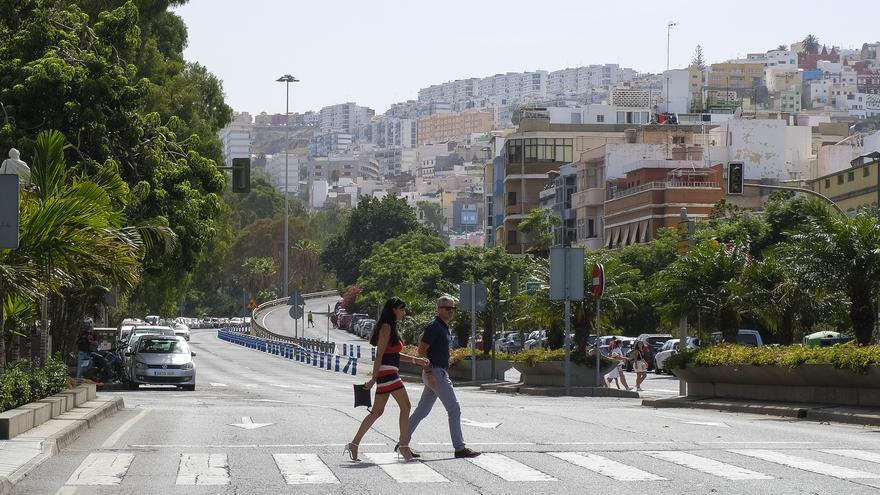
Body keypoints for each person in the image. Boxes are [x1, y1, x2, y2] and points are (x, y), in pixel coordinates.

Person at [345, 297, 429, 463]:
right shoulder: (386, 327)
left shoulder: (391, 327)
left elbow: (394, 354)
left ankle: (354, 444)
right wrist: (373, 379)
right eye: (402, 309)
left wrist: (416, 360)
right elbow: (380, 355)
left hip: (389, 372)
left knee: (377, 412)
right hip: (387, 374)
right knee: (406, 406)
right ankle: (404, 447)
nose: (404, 313)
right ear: (393, 309)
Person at [406, 296, 481, 459]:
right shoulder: (435, 326)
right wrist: (429, 372)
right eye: (447, 308)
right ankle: (460, 448)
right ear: (438, 309)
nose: (450, 311)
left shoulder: (443, 327)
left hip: (437, 373)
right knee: (454, 409)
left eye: (452, 308)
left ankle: (402, 443)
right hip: (435, 373)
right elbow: (421, 349)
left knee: (421, 411)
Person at [75, 319, 97, 385]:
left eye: (88, 324)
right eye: (85, 324)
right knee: (80, 368)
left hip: (89, 353)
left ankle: (86, 381)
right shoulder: (81, 333)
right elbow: (77, 341)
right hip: (82, 352)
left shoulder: (93, 333)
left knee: (89, 368)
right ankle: (78, 382)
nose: (86, 325)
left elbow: (96, 343)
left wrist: (90, 341)